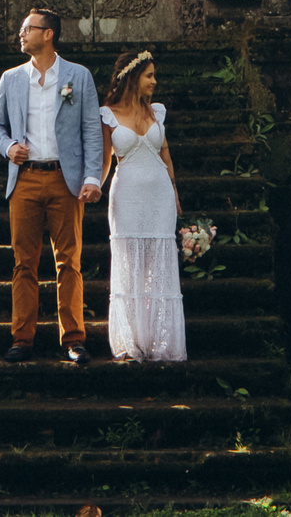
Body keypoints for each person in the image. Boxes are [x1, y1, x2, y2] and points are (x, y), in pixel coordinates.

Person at [0, 7, 103, 363]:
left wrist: (92, 177)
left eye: (28, 28)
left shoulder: (78, 77)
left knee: (69, 261)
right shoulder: (11, 78)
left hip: (64, 180)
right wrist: (8, 147)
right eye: (22, 29)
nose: (21, 34)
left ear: (48, 34)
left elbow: (91, 131)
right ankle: (22, 339)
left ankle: (74, 339)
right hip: (25, 180)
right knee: (24, 262)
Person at [98, 49, 186, 363]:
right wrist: (93, 185)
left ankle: (161, 342)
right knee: (129, 265)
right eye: (149, 75)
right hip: (126, 196)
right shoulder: (107, 114)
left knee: (158, 266)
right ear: (134, 78)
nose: (154, 81)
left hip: (159, 195)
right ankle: (132, 342)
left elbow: (166, 155)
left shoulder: (156, 112)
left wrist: (174, 192)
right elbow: (106, 161)